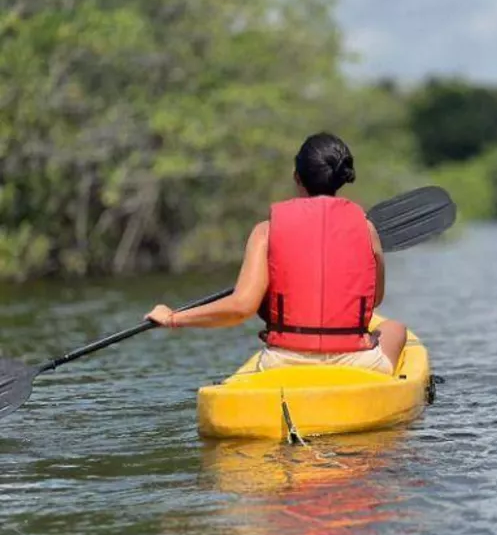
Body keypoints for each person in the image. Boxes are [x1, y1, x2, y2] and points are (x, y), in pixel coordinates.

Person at [146, 133, 407, 375]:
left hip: (284, 362)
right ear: (341, 178)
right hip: (355, 362)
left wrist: (173, 318)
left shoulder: (266, 231)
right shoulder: (367, 228)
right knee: (395, 328)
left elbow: (240, 308)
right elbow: (374, 300)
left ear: (297, 177)